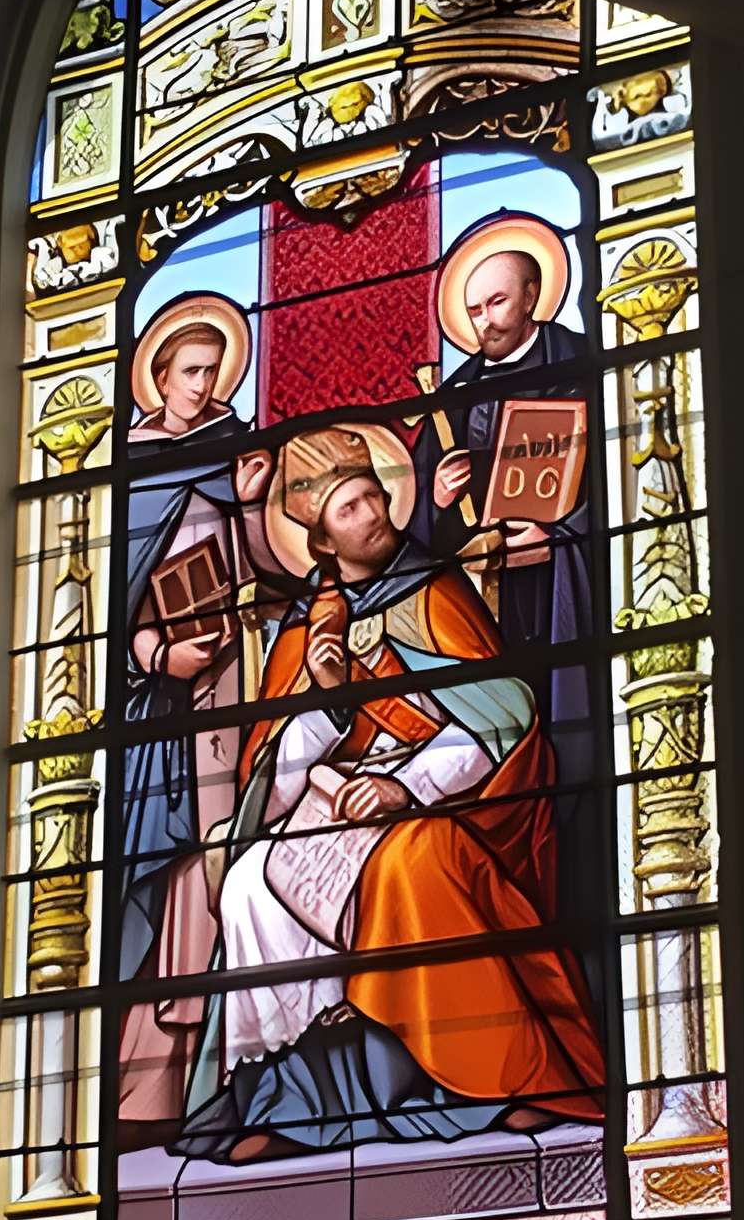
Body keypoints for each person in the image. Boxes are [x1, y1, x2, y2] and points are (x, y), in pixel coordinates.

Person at [176, 423, 604, 1163]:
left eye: (374, 497)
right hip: (332, 806)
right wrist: (328, 699)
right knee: (248, 882)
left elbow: (500, 717)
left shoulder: (437, 593)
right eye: (350, 509)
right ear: (322, 540)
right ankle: (296, 1103)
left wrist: (402, 788)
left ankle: (488, 1079)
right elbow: (267, 782)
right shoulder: (303, 633)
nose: (373, 515)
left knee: (413, 862)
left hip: (443, 801)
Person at [118, 299, 282, 1142]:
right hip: (163, 703)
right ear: (158, 376)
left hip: (234, 676)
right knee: (175, 863)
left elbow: (264, 564)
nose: (206, 384)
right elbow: (104, 603)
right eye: (191, 370)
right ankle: (149, 1091)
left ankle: (224, 1080)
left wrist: (252, 502)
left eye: (216, 370)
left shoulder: (231, 447)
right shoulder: (129, 466)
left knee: (230, 860)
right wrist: (157, 658)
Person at [415, 216, 595, 798]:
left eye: (497, 302)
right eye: (473, 309)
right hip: (481, 596)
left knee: (558, 725)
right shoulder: (454, 394)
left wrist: (562, 530)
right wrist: (439, 497)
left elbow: (616, 475)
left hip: (558, 584)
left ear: (533, 296)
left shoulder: (582, 363)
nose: (484, 321)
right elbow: (415, 526)